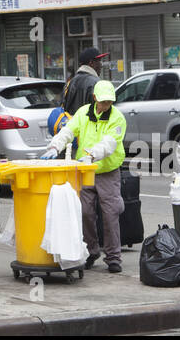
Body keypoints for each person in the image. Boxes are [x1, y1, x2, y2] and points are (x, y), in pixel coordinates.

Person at [42, 80, 127, 272]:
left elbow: (110, 143)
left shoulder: (117, 118)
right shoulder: (83, 113)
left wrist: (91, 155)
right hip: (84, 171)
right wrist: (55, 146)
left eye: (109, 102)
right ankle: (91, 251)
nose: (106, 105)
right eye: (103, 101)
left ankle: (113, 258)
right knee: (85, 212)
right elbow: (68, 131)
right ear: (95, 98)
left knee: (110, 213)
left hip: (107, 171)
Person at [61, 47, 107, 118]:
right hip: (90, 127)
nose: (101, 65)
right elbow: (102, 111)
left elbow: (63, 107)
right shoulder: (97, 83)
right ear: (91, 63)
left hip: (72, 126)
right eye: (99, 61)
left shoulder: (70, 82)